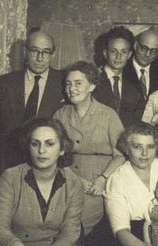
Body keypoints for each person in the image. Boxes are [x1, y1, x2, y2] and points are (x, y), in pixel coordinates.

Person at [53, 61, 125, 241]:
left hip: (98, 183)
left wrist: (102, 179)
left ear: (91, 86)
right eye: (68, 84)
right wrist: (73, 177)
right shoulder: (60, 114)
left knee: (79, 225)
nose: (72, 88)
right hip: (66, 177)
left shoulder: (108, 115)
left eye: (78, 83)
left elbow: (121, 155)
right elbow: (54, 155)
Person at [0, 118, 84, 246]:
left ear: (62, 149)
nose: (41, 150)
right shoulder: (10, 178)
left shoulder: (74, 184)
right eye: (35, 144)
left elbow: (70, 232)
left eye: (49, 144)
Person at [0, 30, 64, 168]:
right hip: (10, 161)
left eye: (46, 52)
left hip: (48, 162)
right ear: (25, 52)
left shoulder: (63, 82)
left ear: (52, 55)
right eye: (34, 51)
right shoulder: (4, 82)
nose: (40, 58)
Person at [93, 26, 140, 128]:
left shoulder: (133, 89)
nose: (118, 57)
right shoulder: (92, 81)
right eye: (113, 51)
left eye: (123, 52)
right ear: (105, 53)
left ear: (129, 55)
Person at [120, 29, 158, 127]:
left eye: (153, 51)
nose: (147, 54)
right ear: (135, 45)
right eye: (144, 48)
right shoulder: (121, 69)